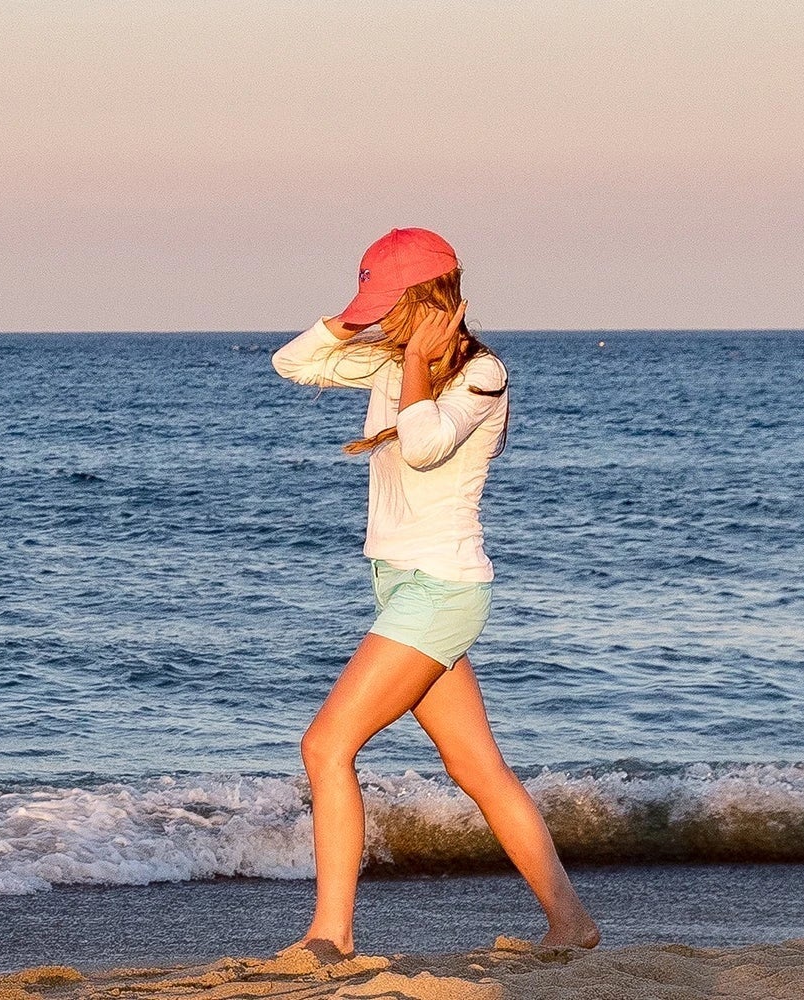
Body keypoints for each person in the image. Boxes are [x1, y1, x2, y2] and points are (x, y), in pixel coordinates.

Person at [268, 228, 599, 960]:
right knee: (477, 767)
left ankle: (332, 934)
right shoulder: (387, 361)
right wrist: (358, 323)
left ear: (431, 300)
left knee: (326, 745)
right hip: (399, 586)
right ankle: (571, 923)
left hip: (442, 590)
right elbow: (292, 362)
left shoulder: (482, 376)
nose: (381, 320)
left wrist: (417, 359)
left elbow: (421, 445)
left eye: (390, 304)